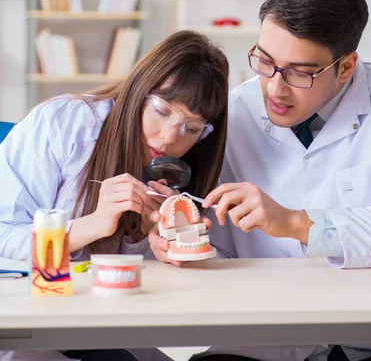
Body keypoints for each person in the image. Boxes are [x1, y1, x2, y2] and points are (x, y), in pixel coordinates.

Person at [150, 0, 371, 361]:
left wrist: (296, 223)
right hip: (265, 342)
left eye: (300, 72)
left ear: (346, 67)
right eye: (264, 61)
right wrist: (184, 247)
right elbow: (222, 252)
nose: (274, 88)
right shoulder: (232, 112)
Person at [0, 29, 229, 361]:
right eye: (162, 111)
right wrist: (92, 225)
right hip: (34, 325)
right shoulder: (64, 124)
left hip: (116, 328)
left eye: (191, 128)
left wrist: (166, 249)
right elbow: (3, 234)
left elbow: (201, 276)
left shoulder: (186, 170)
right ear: (138, 90)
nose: (168, 139)